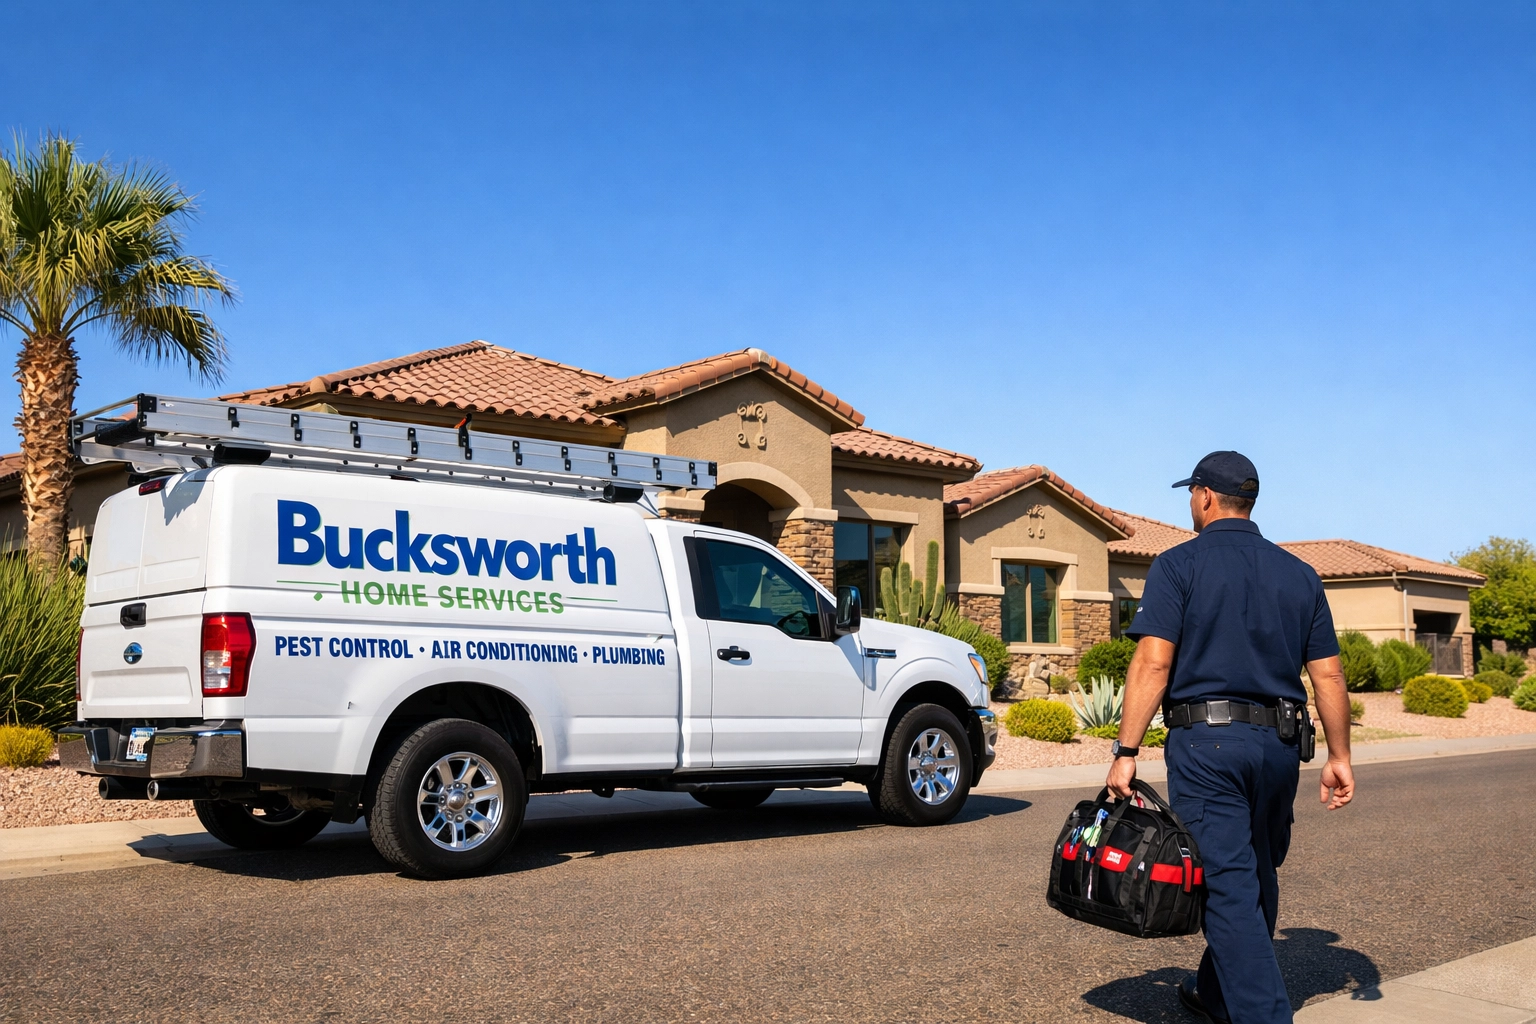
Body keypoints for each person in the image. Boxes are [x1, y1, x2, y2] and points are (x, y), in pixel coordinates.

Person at [1105, 451, 1355, 1024]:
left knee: (1227, 886)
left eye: (1191, 495)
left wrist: (1125, 750)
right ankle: (1218, 995)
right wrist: (1339, 756)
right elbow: (1329, 675)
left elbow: (1152, 664)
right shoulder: (1299, 574)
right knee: (1255, 872)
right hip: (1279, 747)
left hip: (1206, 746)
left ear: (1206, 497)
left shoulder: (1177, 565)